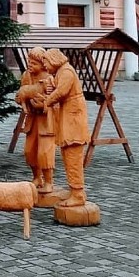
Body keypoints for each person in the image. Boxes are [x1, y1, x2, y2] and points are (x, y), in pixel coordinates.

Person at [42, 49, 90, 208]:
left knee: (73, 157)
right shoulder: (62, 72)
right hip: (68, 118)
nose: (45, 67)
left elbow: (61, 92)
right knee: (69, 156)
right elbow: (57, 87)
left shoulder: (67, 71)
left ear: (54, 60)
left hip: (73, 120)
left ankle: (77, 194)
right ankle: (75, 191)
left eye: (46, 63)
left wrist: (48, 100)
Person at [14, 47, 56, 193]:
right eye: (29, 62)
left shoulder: (50, 77)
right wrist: (20, 99)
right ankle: (37, 177)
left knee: (45, 152)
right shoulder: (27, 76)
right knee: (29, 151)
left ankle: (49, 181)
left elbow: (57, 101)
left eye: (34, 63)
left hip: (46, 121)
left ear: (43, 64)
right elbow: (20, 94)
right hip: (32, 120)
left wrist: (45, 104)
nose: (30, 65)